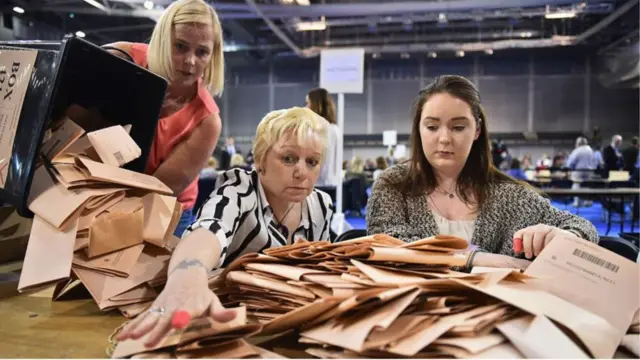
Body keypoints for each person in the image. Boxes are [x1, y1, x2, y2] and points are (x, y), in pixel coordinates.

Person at [116, 107, 334, 347]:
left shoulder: (320, 206)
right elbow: (208, 230)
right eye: (288, 158)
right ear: (260, 160)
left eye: (312, 162)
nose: (301, 172)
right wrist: (188, 276)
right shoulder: (238, 192)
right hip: (228, 328)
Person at [366, 75, 598, 270]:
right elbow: (389, 247)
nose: (444, 138)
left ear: (477, 130)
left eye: (458, 127)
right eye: (432, 127)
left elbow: (586, 230)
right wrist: (477, 259)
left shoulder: (509, 195)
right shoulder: (393, 185)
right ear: (419, 129)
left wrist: (561, 236)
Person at [105, 0, 224, 236]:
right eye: (180, 46)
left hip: (165, 208)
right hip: (103, 191)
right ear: (162, 40)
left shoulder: (207, 122)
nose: (190, 61)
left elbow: (157, 191)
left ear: (213, 56)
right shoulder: (122, 58)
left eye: (202, 52)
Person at [306, 88, 341, 189]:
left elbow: (319, 160)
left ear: (316, 105)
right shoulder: (335, 129)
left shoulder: (319, 130)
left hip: (320, 185)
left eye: (308, 103)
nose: (306, 107)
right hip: (333, 183)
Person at [566, 137, 596, 207]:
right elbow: (595, 162)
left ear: (578, 143)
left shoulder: (577, 150)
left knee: (576, 184)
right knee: (588, 186)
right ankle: (588, 202)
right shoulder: (591, 150)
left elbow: (571, 162)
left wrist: (570, 167)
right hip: (590, 171)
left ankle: (577, 203)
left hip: (578, 170)